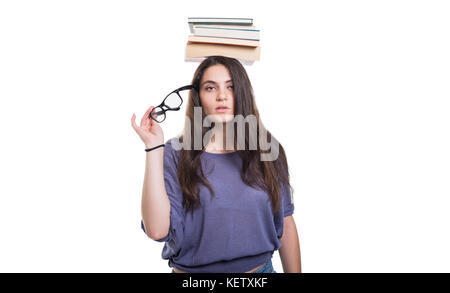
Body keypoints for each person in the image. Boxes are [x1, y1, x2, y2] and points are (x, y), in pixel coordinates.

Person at [131, 56, 301, 273]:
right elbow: (156, 231)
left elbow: (285, 222)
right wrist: (153, 147)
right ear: (198, 96)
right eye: (210, 88)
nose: (222, 96)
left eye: (231, 87)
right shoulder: (174, 153)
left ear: (243, 92)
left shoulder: (267, 150)